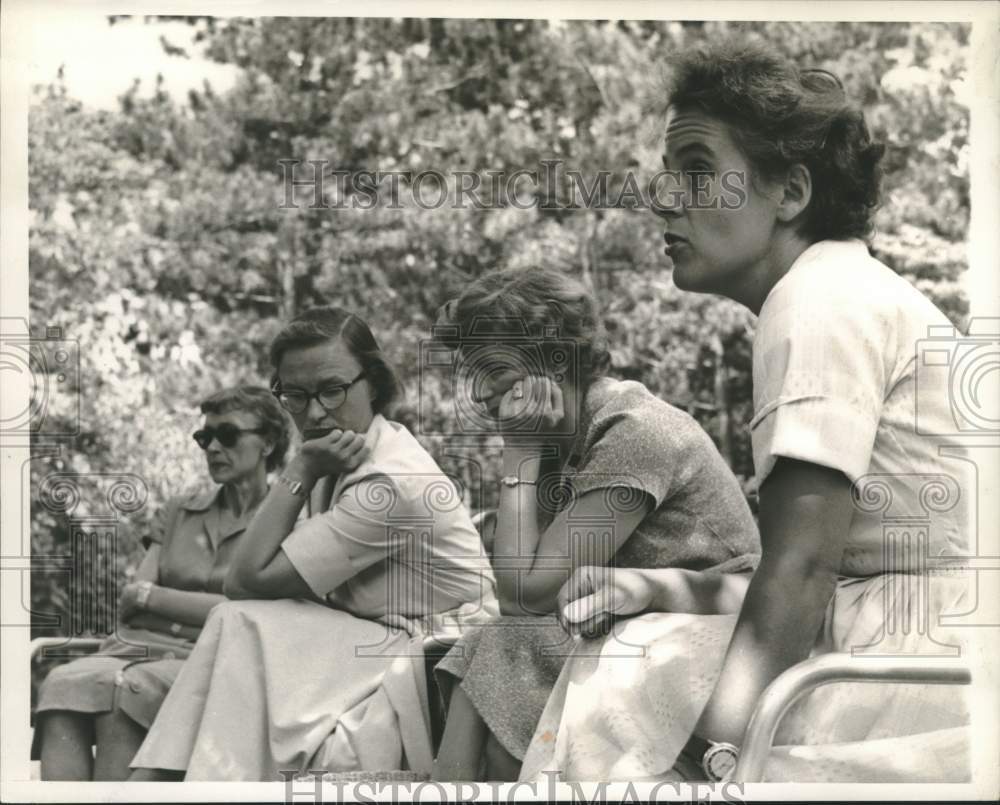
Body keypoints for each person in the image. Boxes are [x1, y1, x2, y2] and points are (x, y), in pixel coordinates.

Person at [518, 37, 974, 784]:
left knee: (618, 684)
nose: (665, 197)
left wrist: (708, 761)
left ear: (790, 193)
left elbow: (803, 568)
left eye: (697, 170)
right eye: (669, 174)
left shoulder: (818, 300)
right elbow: (826, 568)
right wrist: (656, 585)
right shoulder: (844, 288)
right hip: (923, 632)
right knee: (637, 641)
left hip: (929, 667)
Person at [129, 306, 499, 781]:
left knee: (236, 619)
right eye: (295, 396)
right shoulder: (346, 455)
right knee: (239, 626)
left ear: (375, 383)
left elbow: (244, 580)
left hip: (440, 654)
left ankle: (165, 782)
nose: (315, 412)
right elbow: (266, 580)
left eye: (332, 390)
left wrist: (298, 470)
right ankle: (168, 782)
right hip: (373, 637)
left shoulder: (386, 481)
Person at [430, 267, 761, 781]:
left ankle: (448, 788)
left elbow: (526, 596)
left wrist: (518, 455)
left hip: (701, 628)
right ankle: (450, 786)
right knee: (484, 655)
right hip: (624, 620)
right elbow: (522, 588)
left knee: (499, 647)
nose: (480, 394)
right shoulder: (561, 437)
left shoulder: (633, 429)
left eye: (491, 368)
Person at [33, 385, 291, 780]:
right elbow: (131, 599)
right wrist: (206, 607)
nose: (213, 448)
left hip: (213, 659)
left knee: (129, 691)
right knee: (62, 683)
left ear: (268, 442)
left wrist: (157, 599)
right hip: (137, 647)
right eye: (205, 437)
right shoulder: (180, 511)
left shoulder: (286, 520)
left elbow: (246, 616)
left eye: (228, 435)